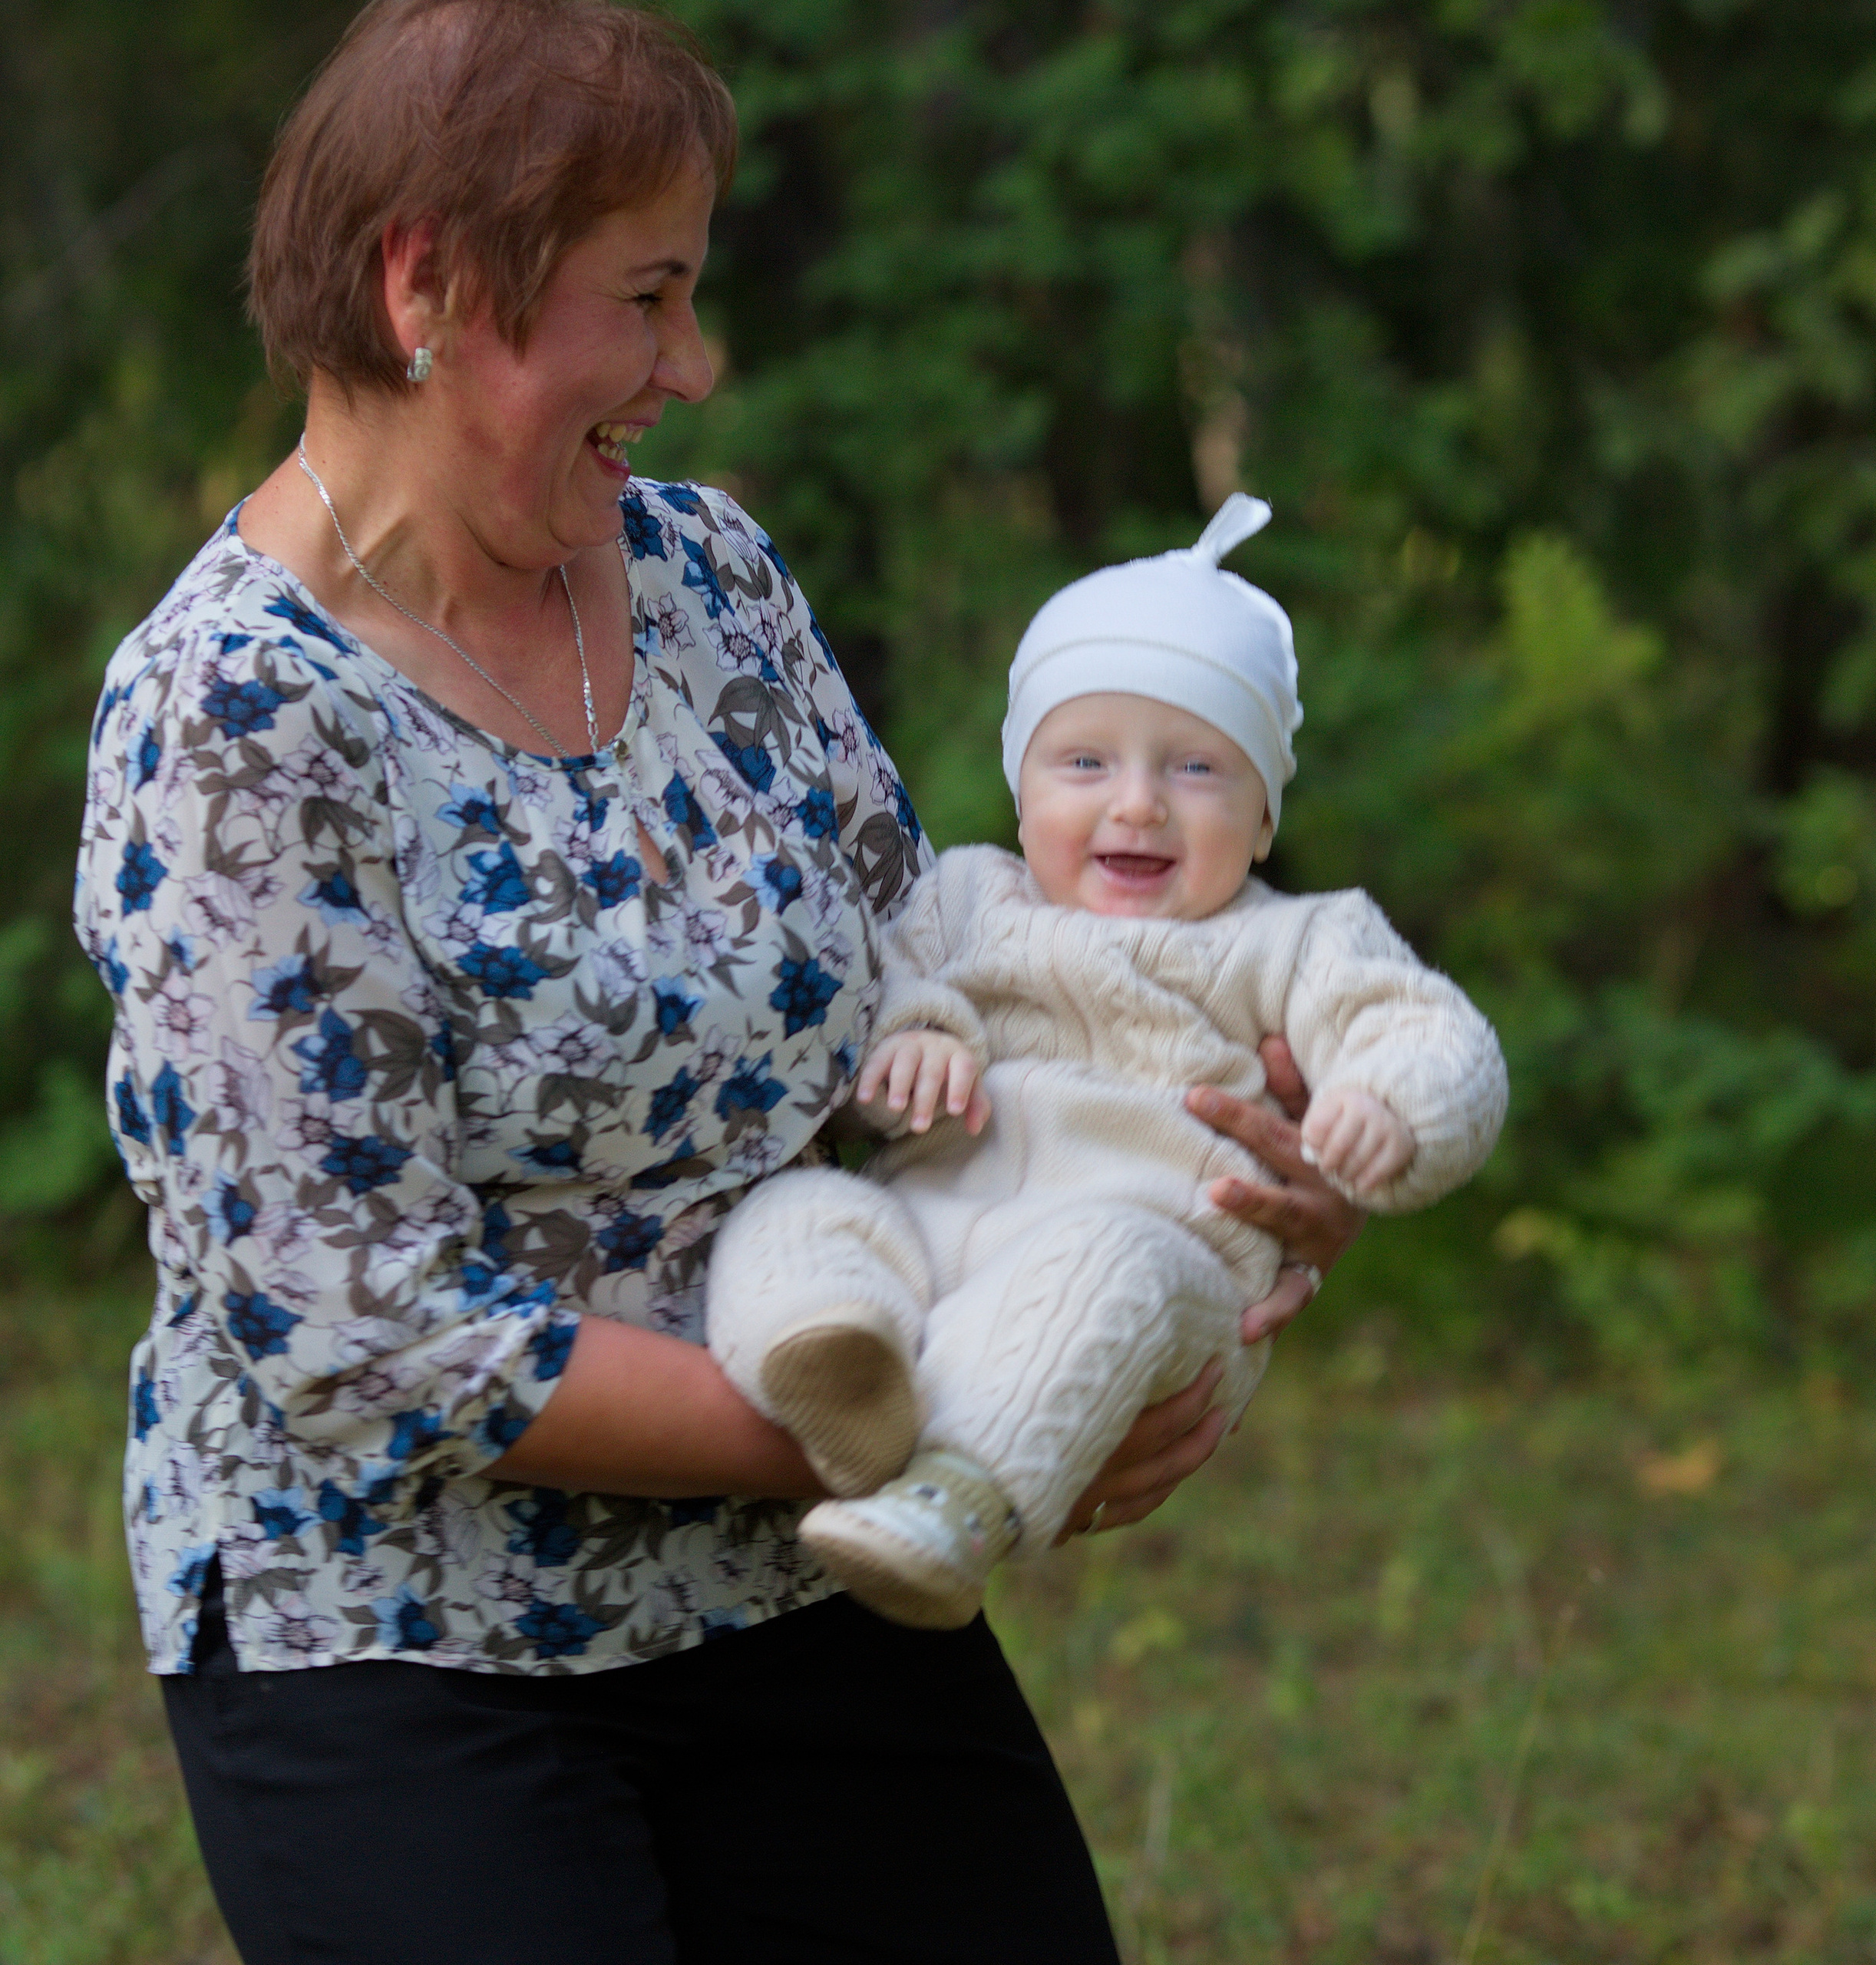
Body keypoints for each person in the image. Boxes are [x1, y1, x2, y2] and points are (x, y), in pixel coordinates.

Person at [72, 3, 1362, 1959]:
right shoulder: (231, 720)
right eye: (647, 297)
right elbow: (352, 1323)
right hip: (402, 1631)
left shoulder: (705, 583)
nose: (692, 365)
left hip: (785, 1582)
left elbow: (918, 1002)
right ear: (429, 280)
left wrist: (1187, 1202)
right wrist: (955, 1426)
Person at [706, 495, 1508, 1627]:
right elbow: (871, 997)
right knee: (792, 1215)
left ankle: (957, 1504)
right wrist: (914, 1041)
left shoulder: (1296, 939)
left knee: (1105, 1260)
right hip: (933, 1241)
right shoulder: (965, 900)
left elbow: (1433, 1033)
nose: (1137, 804)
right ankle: (848, 1368)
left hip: (1159, 1272)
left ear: (1266, 814)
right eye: (1085, 761)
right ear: (1022, 792)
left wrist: (1393, 1105)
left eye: (1195, 770)